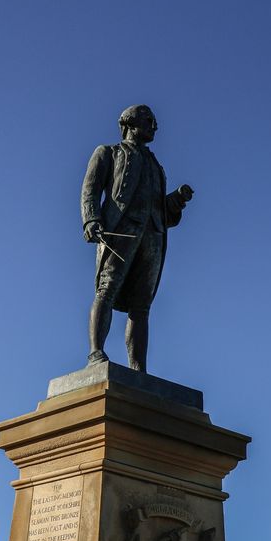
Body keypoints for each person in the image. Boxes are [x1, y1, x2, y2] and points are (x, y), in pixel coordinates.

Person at [80, 105, 194, 371]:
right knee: (106, 290)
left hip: (152, 235)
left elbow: (160, 209)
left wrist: (176, 200)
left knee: (142, 306)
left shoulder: (157, 166)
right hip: (119, 231)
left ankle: (137, 368)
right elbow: (91, 188)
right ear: (129, 123)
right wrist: (91, 219)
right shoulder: (108, 153)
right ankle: (96, 353)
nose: (154, 126)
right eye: (148, 120)